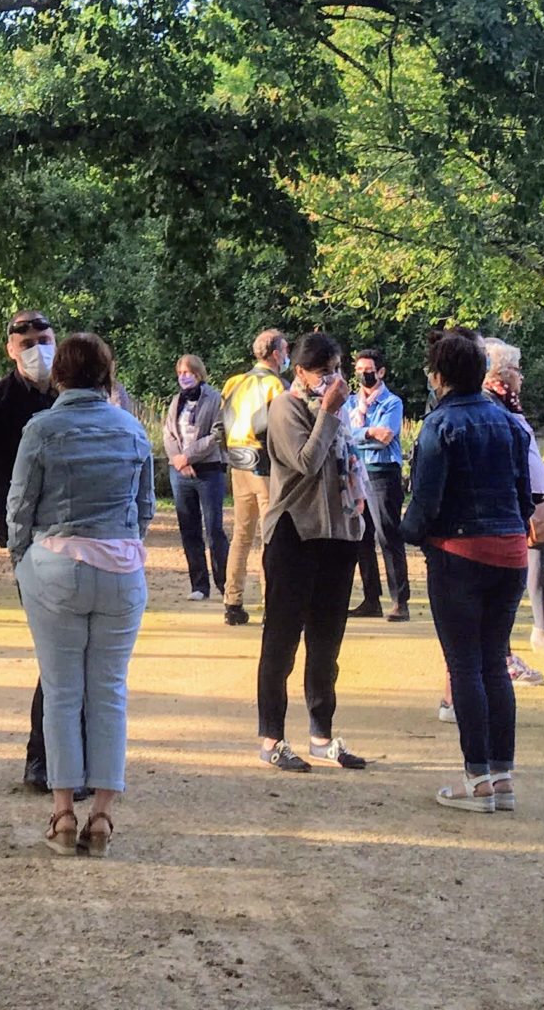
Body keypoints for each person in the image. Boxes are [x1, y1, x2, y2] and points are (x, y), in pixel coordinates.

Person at [7, 331, 154, 856]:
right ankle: (103, 817)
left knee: (62, 692)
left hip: (56, 564)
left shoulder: (41, 429)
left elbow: (20, 506)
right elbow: (145, 507)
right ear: (107, 375)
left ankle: (63, 812)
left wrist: (20, 560)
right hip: (119, 568)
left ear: (59, 375)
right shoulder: (133, 429)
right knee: (110, 692)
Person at [402, 327, 534, 814]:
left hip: (459, 553)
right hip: (511, 550)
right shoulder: (508, 422)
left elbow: (427, 500)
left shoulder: (439, 425)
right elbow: (523, 495)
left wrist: (403, 535)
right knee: (494, 663)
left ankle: (477, 779)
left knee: (465, 667)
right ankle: (502, 779)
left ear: (438, 376)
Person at [253, 331, 368, 774]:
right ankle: (272, 738)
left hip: (339, 534)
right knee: (281, 639)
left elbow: (348, 463)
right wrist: (328, 413)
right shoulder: (285, 406)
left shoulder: (337, 410)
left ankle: (322, 735)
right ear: (299, 371)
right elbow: (305, 461)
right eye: (324, 372)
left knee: (326, 640)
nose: (333, 380)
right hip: (293, 535)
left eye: (337, 370)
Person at [0, 308, 61, 790]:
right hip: (29, 540)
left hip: (78, 533)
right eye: (26, 342)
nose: (36, 349)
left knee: (74, 656)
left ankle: (66, 758)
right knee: (54, 651)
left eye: (42, 338)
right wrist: (11, 532)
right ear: (10, 349)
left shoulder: (72, 393)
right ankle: (41, 758)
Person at [479, 342, 544, 676]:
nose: (520, 376)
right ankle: (501, 658)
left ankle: (531, 637)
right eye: (515, 370)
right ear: (499, 374)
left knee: (531, 567)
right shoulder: (492, 406)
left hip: (527, 503)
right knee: (502, 586)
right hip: (510, 509)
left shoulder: (506, 404)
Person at [217, 332, 287, 626]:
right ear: (273, 353)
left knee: (241, 535)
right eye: (285, 350)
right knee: (270, 535)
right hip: (264, 464)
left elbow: (221, 422)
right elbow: (280, 427)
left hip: (238, 461)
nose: (286, 356)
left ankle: (232, 602)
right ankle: (271, 601)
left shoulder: (235, 381)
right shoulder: (274, 384)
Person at [345, 347, 409, 621]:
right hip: (357, 473)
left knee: (388, 536)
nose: (363, 375)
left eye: (368, 370)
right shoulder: (349, 403)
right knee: (361, 536)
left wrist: (360, 434)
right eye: (359, 370)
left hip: (383, 473)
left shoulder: (392, 403)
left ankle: (400, 601)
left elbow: (386, 437)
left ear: (380, 372)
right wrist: (369, 431)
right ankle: (372, 599)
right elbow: (345, 434)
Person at [161, 354, 230, 602]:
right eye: (180, 372)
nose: (183, 376)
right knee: (189, 529)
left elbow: (218, 434)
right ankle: (199, 585)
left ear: (199, 373)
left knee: (214, 529)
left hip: (209, 469)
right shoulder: (176, 400)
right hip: (180, 473)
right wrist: (178, 460)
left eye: (188, 372)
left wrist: (188, 456)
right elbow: (168, 433)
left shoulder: (215, 398)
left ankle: (226, 585)